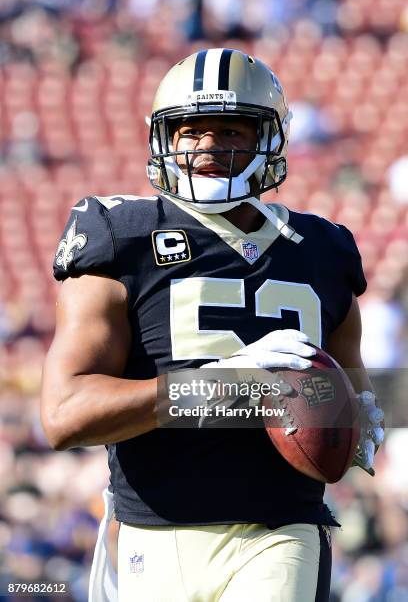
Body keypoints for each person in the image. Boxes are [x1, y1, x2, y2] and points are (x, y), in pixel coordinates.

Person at [40, 48, 384, 602]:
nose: (206, 148)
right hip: (153, 534)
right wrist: (222, 383)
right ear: (164, 139)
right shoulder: (119, 233)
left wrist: (360, 415)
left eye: (229, 131)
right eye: (190, 131)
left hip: (282, 530)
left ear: (268, 138)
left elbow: (352, 379)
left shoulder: (324, 248)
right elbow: (64, 415)